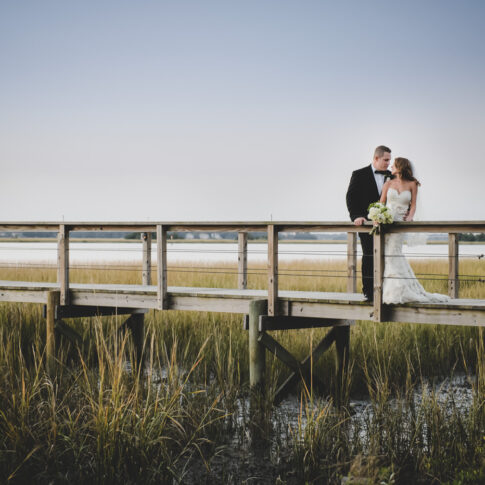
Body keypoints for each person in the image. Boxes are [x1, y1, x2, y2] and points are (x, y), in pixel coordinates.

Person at [379, 157, 449, 303]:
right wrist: (380, 217)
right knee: (388, 254)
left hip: (401, 223)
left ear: (400, 167)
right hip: (387, 223)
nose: (391, 166)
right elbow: (381, 203)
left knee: (393, 253)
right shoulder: (388, 184)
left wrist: (410, 217)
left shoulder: (412, 184)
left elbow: (413, 205)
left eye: (394, 164)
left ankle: (399, 291)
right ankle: (393, 290)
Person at [346, 145, 392, 301]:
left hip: (387, 225)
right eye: (386, 160)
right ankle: (369, 292)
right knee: (368, 256)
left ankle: (387, 291)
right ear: (376, 158)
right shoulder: (359, 174)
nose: (388, 163)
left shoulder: (391, 176)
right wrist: (356, 216)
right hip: (366, 223)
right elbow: (351, 198)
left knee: (388, 257)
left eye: (389, 160)